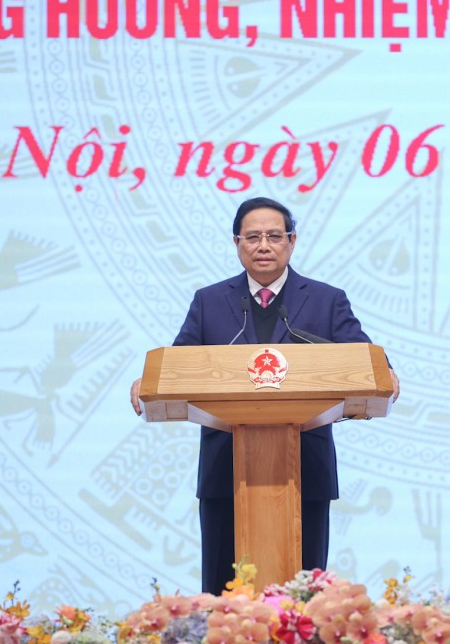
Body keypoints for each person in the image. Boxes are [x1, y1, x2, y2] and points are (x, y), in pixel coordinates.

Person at [130, 196, 398, 594]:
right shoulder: (209, 301)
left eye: (274, 236)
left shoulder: (326, 300)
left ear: (292, 241)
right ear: (236, 243)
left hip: (305, 469)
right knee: (222, 594)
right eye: (252, 237)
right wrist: (150, 380)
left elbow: (361, 356)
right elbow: (179, 363)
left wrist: (384, 369)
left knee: (303, 596)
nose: (264, 246)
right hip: (226, 471)